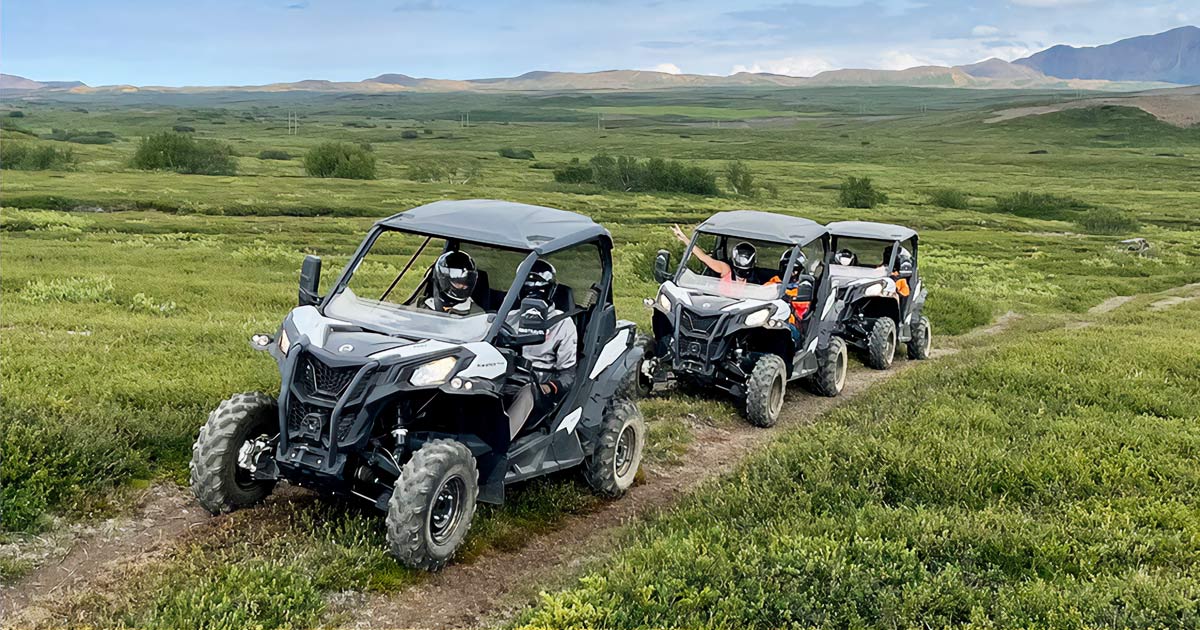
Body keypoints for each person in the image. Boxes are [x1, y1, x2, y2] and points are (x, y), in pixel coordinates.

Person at [507, 259, 577, 422]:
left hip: (538, 386)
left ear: (550, 291)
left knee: (526, 392)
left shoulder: (562, 324)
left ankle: (501, 444)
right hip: (506, 376)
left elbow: (568, 375)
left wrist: (548, 387)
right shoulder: (509, 318)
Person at [670, 224, 756, 283]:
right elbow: (703, 257)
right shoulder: (726, 269)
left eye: (746, 270)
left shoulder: (755, 281)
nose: (742, 274)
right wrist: (684, 238)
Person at [424, 250, 484, 315]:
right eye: (458, 283)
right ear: (443, 280)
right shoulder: (423, 306)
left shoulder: (477, 314)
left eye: (466, 283)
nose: (463, 287)